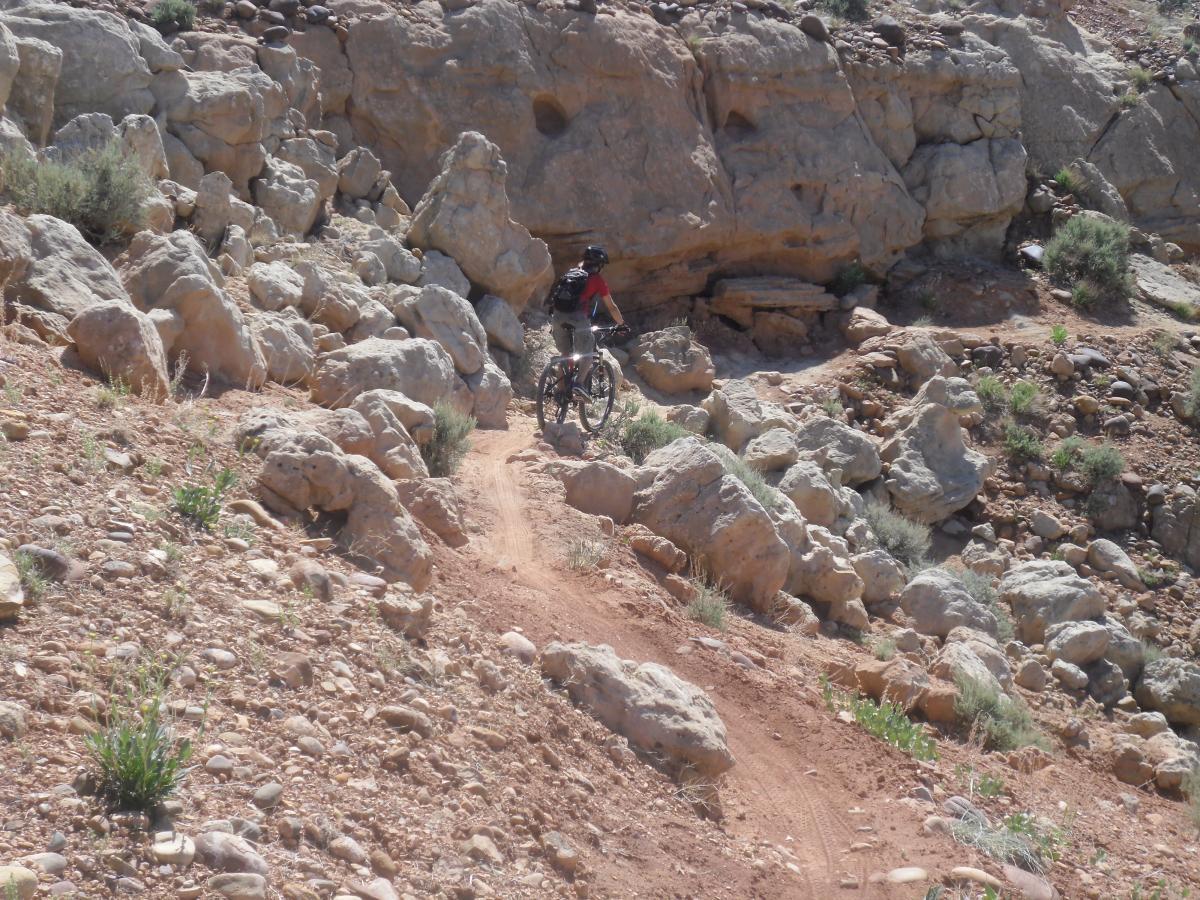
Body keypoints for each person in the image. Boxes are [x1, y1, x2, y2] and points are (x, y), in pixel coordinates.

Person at [548, 245, 626, 400]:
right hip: (578, 318)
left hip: (557, 317)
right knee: (588, 354)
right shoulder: (596, 279)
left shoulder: (570, 273)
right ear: (600, 264)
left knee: (565, 355)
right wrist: (621, 324)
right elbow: (611, 306)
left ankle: (561, 392)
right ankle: (579, 384)